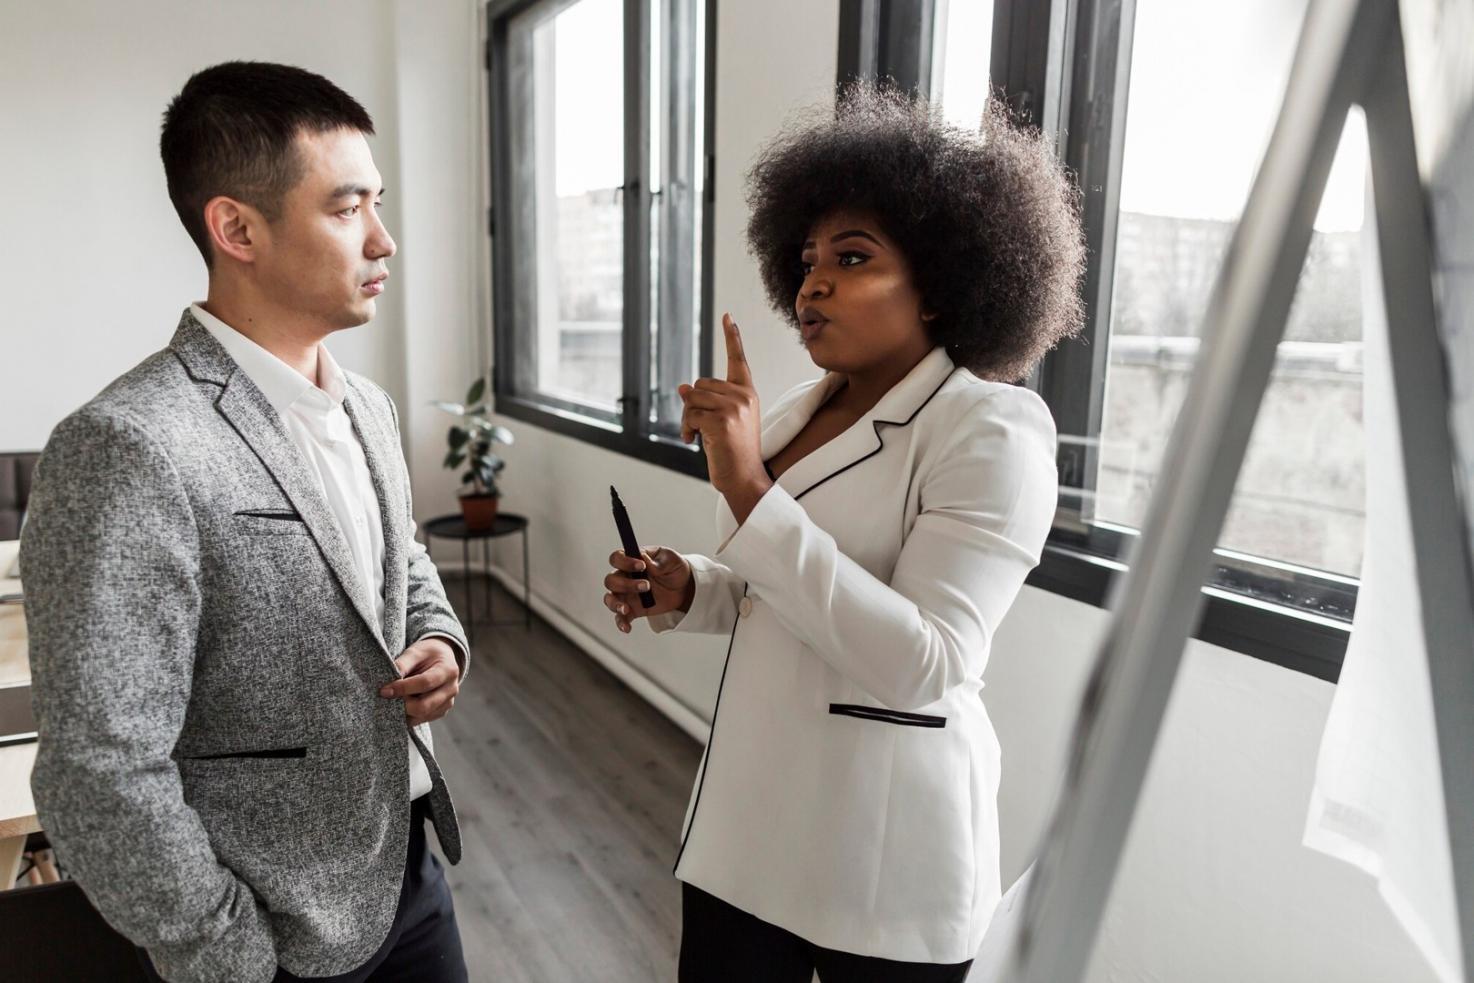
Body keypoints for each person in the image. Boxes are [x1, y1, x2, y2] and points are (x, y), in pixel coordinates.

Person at [601, 84, 1085, 981]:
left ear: (940, 287)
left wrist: (747, 486)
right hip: (746, 828)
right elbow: (772, 590)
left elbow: (928, 657)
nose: (814, 280)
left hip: (882, 851)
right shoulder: (792, 410)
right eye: (810, 257)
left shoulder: (991, 429)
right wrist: (691, 587)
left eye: (854, 257)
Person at [22, 62, 470, 983]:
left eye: (377, 204)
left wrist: (438, 637)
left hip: (410, 873)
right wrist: (224, 951)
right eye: (347, 210)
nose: (384, 240)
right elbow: (99, 773)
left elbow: (403, 567)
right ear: (236, 228)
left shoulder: (369, 408)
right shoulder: (127, 445)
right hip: (266, 931)